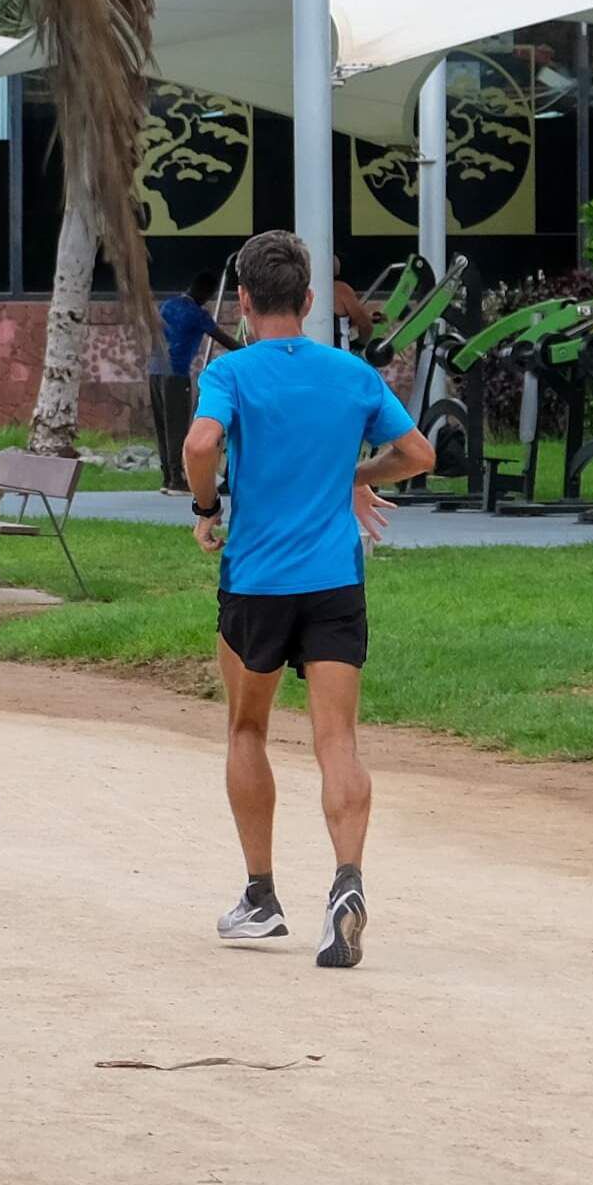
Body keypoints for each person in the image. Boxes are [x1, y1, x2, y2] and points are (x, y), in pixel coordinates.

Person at [182, 229, 436, 969]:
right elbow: (417, 454)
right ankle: (346, 885)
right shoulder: (350, 374)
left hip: (256, 583)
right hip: (333, 582)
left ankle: (260, 897)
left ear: (244, 300)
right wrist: (351, 480)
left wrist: (205, 509)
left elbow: (201, 444)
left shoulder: (232, 373)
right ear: (310, 299)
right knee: (337, 742)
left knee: (246, 730)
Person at [149, 269, 238, 492]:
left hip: (154, 371)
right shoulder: (198, 314)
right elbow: (224, 339)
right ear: (206, 292)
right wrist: (253, 352)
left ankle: (167, 477)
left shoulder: (168, 305)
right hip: (176, 374)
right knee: (177, 426)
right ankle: (178, 480)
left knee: (162, 426)